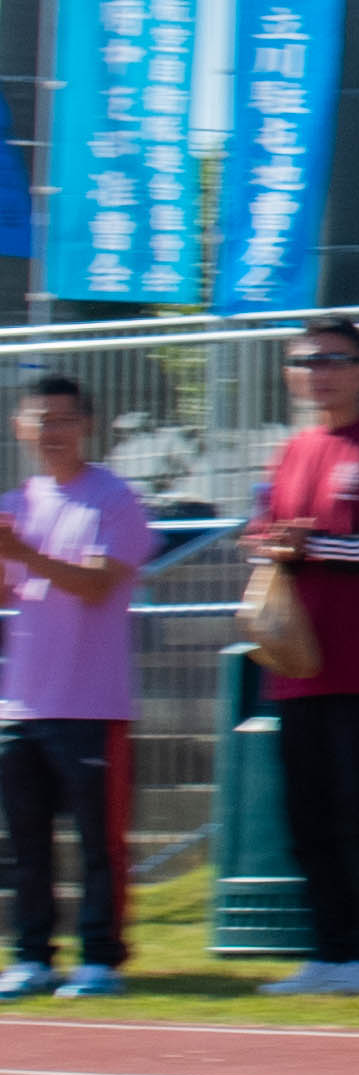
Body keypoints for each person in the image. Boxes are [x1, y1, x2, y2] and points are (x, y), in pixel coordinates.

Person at [242, 316, 359, 997]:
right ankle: (328, 946)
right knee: (308, 810)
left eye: (334, 359)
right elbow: (266, 528)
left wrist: (308, 545)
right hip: (297, 665)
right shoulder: (290, 449)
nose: (320, 372)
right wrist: (270, 545)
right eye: (306, 362)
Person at [0, 376, 146, 998]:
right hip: (20, 700)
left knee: (97, 842)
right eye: (40, 420)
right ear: (19, 428)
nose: (51, 432)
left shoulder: (115, 500)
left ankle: (101, 957)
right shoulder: (17, 503)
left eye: (64, 420)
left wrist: (23, 553)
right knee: (25, 840)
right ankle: (32, 955)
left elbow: (95, 586)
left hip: (90, 701)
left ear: (86, 425)